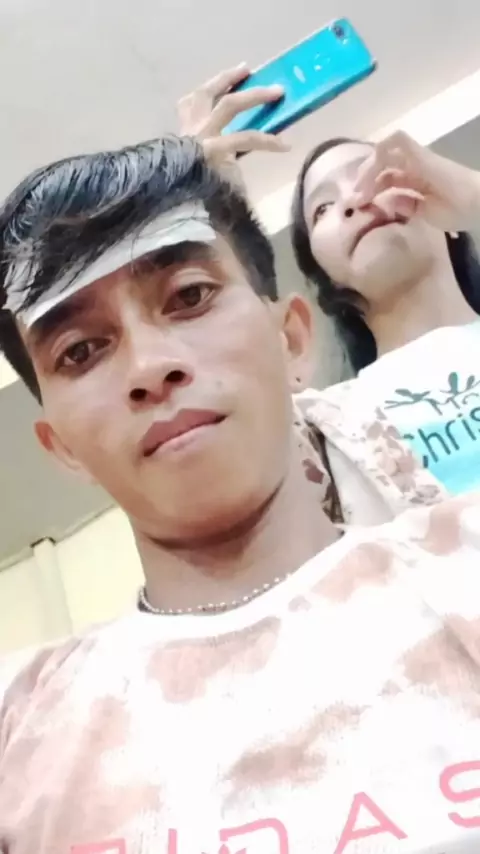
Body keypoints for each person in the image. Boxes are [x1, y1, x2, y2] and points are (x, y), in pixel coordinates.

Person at [1, 133, 480, 854]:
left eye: (189, 296)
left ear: (292, 339)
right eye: (81, 350)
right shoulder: (21, 731)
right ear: (61, 447)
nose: (150, 366)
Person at [179, 68, 480, 523]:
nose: (355, 201)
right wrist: (200, 204)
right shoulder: (329, 428)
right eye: (323, 208)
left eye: (375, 176)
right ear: (326, 280)